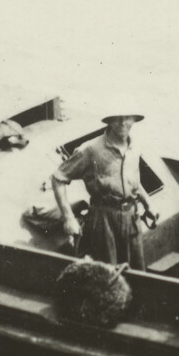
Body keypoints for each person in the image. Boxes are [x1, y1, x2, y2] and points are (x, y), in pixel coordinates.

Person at [51, 113, 149, 265]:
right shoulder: (91, 149)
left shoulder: (134, 146)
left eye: (128, 117)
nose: (123, 123)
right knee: (107, 272)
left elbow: (133, 181)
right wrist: (68, 218)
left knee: (137, 272)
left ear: (135, 119)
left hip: (131, 218)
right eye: (117, 118)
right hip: (104, 220)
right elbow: (58, 178)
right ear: (109, 121)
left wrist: (148, 203)